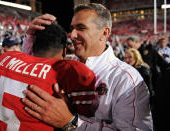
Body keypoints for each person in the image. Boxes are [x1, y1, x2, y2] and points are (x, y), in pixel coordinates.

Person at [21, 3, 153, 131]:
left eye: (81, 28)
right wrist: (30, 37)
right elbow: (29, 68)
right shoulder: (65, 63)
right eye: (72, 28)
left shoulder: (126, 79)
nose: (71, 35)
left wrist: (71, 122)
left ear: (104, 33)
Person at [0, 22, 98, 131]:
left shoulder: (6, 58)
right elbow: (87, 119)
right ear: (64, 51)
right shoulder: (72, 71)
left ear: (33, 46)